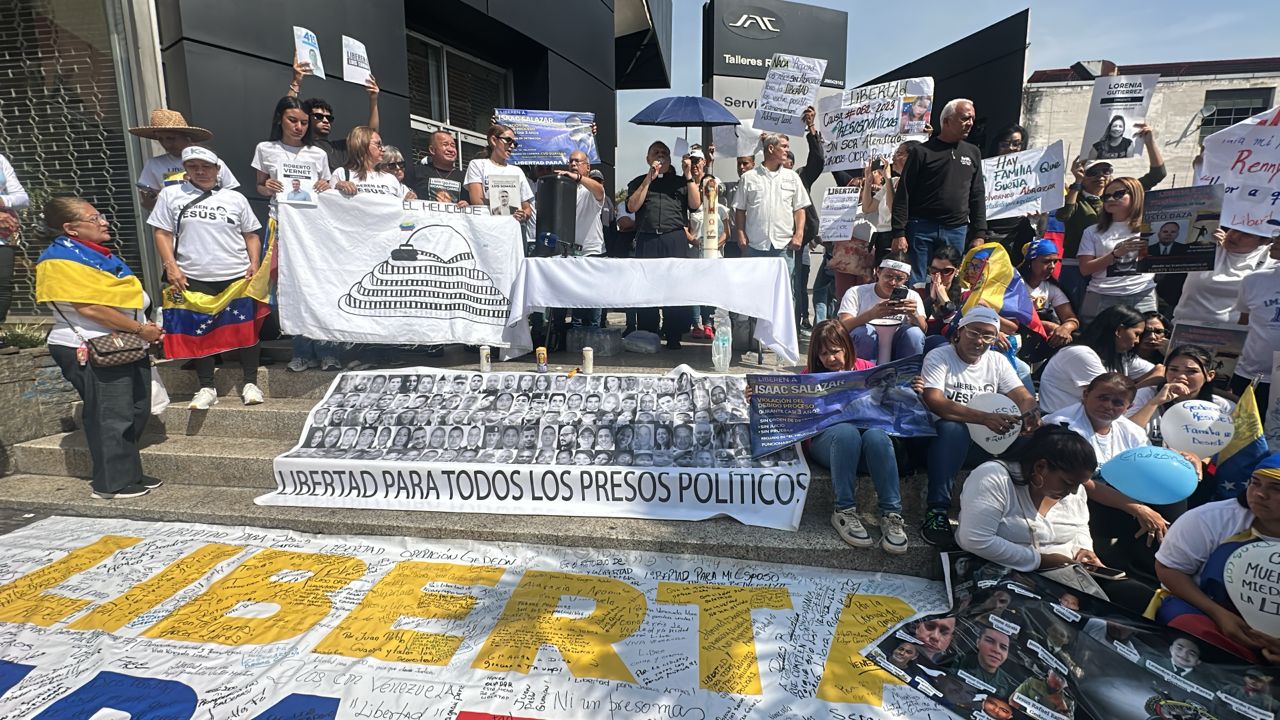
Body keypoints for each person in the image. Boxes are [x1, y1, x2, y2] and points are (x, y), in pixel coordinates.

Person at [35, 197, 164, 499]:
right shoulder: (59, 259)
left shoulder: (96, 254)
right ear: (71, 228)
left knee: (136, 409)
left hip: (124, 342)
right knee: (111, 415)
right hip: (92, 344)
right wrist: (140, 329)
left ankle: (129, 472)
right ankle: (111, 483)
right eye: (94, 219)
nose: (104, 222)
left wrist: (142, 328)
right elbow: (89, 308)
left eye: (101, 216)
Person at [148, 146, 267, 410]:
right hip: (193, 275)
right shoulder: (171, 195)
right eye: (193, 166)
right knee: (200, 332)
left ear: (217, 170)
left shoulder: (235, 198)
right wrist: (171, 266)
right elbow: (162, 233)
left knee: (246, 329)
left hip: (236, 275)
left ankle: (250, 382)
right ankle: (206, 386)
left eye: (206, 167)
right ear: (186, 170)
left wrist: (255, 263)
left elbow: (251, 235)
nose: (200, 171)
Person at [920, 307, 1040, 547]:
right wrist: (983, 418)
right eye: (974, 333)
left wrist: (1030, 414)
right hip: (939, 442)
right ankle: (937, 511)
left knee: (1040, 440)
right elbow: (936, 402)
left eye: (988, 336)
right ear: (959, 332)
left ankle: (1026, 514)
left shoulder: (996, 361)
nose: (979, 341)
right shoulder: (939, 356)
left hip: (983, 441)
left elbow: (1022, 396)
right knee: (952, 428)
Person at [1154, 452, 1280, 663]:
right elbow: (1168, 568)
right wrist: (1218, 614)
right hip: (1207, 612)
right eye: (1255, 483)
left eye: (1276, 488)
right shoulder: (1209, 518)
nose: (1259, 494)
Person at [803, 320, 908, 554]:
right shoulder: (809, 376)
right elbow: (787, 409)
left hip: (866, 447)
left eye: (835, 351)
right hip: (829, 444)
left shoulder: (867, 368)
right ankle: (844, 510)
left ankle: (892, 514)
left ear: (847, 347)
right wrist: (758, 397)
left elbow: (891, 406)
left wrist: (911, 390)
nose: (830, 358)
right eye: (823, 354)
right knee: (846, 432)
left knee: (878, 436)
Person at [251, 96, 333, 371]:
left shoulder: (318, 154)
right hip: (282, 226)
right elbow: (259, 186)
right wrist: (268, 187)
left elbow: (327, 187)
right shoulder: (265, 148)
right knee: (289, 289)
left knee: (319, 286)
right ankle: (301, 351)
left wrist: (325, 185)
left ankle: (327, 350)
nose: (298, 127)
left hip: (313, 228)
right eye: (292, 120)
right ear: (280, 119)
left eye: (304, 122)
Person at [1057, 128, 1166, 310]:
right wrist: (1077, 183)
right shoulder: (1076, 198)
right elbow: (1063, 215)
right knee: (1077, 315)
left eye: (1106, 170)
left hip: (1115, 273)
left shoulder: (1121, 196)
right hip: (1079, 266)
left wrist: (1149, 141)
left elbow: (1158, 174)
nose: (1100, 176)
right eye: (1093, 172)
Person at [891, 98, 987, 284]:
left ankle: (942, 305)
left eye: (972, 119)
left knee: (949, 282)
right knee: (916, 282)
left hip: (956, 230)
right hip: (921, 229)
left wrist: (979, 234)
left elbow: (977, 194)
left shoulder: (973, 152)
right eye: (965, 118)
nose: (970, 123)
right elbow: (904, 193)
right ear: (947, 121)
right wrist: (899, 233)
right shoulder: (922, 152)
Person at [626, 140, 701, 349]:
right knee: (647, 288)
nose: (660, 155)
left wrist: (688, 175)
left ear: (669, 158)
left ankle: (674, 334)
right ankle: (649, 333)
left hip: (673, 238)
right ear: (648, 158)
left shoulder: (680, 182)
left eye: (664, 153)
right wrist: (648, 179)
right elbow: (632, 206)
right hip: (648, 239)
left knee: (674, 287)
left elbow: (696, 205)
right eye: (656, 152)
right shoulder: (638, 181)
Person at [1038, 304, 1162, 415]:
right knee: (1145, 394)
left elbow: (1162, 371)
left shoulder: (1120, 356)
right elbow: (1113, 395)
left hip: (1090, 424)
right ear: (1119, 331)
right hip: (1061, 425)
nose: (1137, 341)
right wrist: (1143, 385)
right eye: (1137, 334)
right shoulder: (1080, 354)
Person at [1077, 176, 1155, 321]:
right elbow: (1085, 269)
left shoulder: (1150, 227)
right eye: (1106, 196)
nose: (1111, 199)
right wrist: (1116, 254)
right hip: (1100, 293)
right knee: (1093, 334)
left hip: (1142, 292)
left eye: (1118, 194)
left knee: (1146, 334)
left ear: (1135, 195)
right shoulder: (1092, 231)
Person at [734, 132, 810, 277]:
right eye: (784, 146)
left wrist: (799, 234)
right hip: (754, 246)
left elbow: (799, 208)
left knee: (783, 289)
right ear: (770, 149)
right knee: (753, 287)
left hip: (783, 247)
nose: (787, 150)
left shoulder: (792, 177)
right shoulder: (748, 177)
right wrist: (740, 234)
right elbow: (740, 209)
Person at [129, 109, 238, 209]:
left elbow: (233, 196)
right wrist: (152, 200)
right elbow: (148, 205)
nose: (166, 144)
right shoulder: (154, 164)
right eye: (160, 139)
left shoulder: (213, 162)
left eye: (171, 138)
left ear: (187, 137)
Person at [288, 54, 381, 170]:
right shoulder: (298, 143)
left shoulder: (340, 147)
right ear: (306, 118)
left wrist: (373, 99)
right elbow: (288, 113)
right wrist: (296, 81)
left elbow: (371, 134)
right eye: (319, 116)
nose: (325, 121)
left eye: (329, 118)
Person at [836, 254, 927, 364]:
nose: (893, 283)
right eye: (888, 276)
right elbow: (843, 326)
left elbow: (924, 329)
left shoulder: (912, 296)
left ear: (906, 279)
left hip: (897, 346)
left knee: (914, 333)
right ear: (878, 272)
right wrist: (871, 315)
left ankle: (908, 371)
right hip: (866, 345)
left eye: (899, 279)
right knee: (863, 333)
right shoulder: (856, 292)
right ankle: (864, 370)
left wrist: (914, 314)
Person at [551, 150, 606, 328]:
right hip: (569, 252)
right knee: (575, 303)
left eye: (577, 161)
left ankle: (593, 334)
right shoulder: (564, 189)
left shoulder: (590, 189)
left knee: (592, 302)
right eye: (571, 162)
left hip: (591, 252)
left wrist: (578, 178)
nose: (573, 164)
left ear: (587, 167)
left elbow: (600, 190)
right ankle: (572, 335)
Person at [1174, 228, 1274, 325]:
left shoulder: (1271, 259)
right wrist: (1205, 240)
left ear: (1264, 241)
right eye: (1235, 229)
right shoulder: (1206, 248)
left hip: (1233, 333)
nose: (1235, 236)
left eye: (1246, 235)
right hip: (1184, 329)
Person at [1231, 237, 1280, 421]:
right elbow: (1244, 323)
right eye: (1277, 237)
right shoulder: (1253, 280)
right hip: (1250, 375)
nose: (1275, 242)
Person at [684, 149, 729, 338]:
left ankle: (709, 323)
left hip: (714, 255)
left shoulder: (722, 209)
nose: (709, 190)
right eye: (706, 188)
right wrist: (696, 243)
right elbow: (685, 228)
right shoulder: (693, 206)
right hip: (694, 253)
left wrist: (716, 244)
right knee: (695, 289)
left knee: (710, 289)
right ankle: (696, 324)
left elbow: (727, 232)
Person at [984, 124, 1041, 259]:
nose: (1011, 148)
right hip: (989, 234)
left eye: (1016, 144)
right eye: (1005, 144)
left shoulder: (1031, 172)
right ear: (996, 145)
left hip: (1019, 235)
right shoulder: (984, 170)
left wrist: (1036, 211)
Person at [1019, 238, 1078, 352]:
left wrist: (1065, 328)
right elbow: (1012, 317)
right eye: (1046, 262)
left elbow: (1070, 318)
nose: (1052, 266)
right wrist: (1048, 325)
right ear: (1030, 262)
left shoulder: (1051, 288)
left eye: (1055, 262)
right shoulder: (1015, 284)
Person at [465, 124, 533, 222]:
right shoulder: (477, 165)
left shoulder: (517, 171)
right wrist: (498, 206)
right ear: (494, 140)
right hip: (487, 225)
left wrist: (523, 215)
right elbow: (477, 202)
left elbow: (527, 208)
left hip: (511, 228)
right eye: (508, 140)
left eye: (514, 143)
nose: (512, 146)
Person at [332, 126, 411, 200]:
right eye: (378, 144)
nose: (383, 149)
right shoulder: (342, 173)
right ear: (362, 145)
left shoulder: (391, 179)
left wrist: (409, 199)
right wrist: (337, 187)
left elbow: (402, 207)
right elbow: (329, 202)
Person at [949, 625, 1018, 698]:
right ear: (978, 642)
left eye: (1003, 647)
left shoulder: (1009, 685)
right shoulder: (957, 663)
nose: (997, 650)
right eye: (990, 641)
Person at [411, 129, 467, 205]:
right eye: (445, 144)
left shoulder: (465, 177)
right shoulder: (417, 172)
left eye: (453, 146)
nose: (451, 149)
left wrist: (468, 205)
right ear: (432, 150)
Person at [921, 245, 964, 334]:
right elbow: (914, 324)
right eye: (934, 270)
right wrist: (931, 299)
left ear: (957, 270)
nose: (939, 276)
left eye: (946, 271)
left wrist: (946, 303)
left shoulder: (965, 295)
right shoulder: (918, 289)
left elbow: (956, 331)